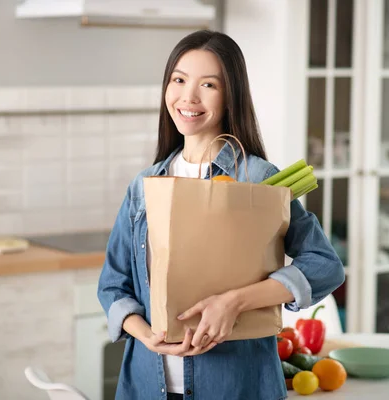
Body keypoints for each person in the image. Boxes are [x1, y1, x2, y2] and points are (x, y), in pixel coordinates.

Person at [97, 30, 345, 400]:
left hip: (238, 384)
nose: (188, 97)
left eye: (208, 85)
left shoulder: (257, 178)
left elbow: (325, 265)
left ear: (231, 96)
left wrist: (234, 302)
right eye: (179, 80)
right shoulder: (144, 186)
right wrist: (147, 335)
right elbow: (113, 285)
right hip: (147, 384)